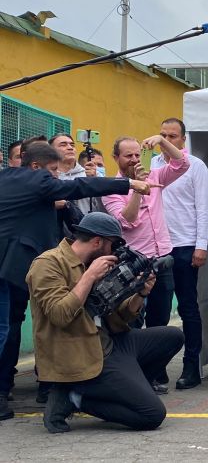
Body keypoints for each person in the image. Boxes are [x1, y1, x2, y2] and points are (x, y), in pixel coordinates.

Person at [0, 142, 153, 420]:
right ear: (35, 166)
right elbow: (80, 186)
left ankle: (21, 390)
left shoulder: (9, 178)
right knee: (6, 330)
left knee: (10, 327)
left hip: (14, 264)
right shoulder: (37, 180)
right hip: (13, 265)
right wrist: (130, 184)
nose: (55, 178)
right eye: (52, 171)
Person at [26, 212, 184, 433]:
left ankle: (121, 391)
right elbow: (59, 315)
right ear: (98, 242)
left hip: (111, 342)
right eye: (113, 245)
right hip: (83, 354)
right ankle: (75, 397)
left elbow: (121, 315)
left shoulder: (98, 264)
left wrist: (140, 293)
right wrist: (89, 277)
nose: (115, 252)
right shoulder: (48, 264)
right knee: (152, 414)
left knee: (173, 336)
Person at [103, 135, 189, 394]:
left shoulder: (155, 176)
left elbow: (182, 164)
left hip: (162, 259)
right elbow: (128, 220)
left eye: (136, 154)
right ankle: (132, 376)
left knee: (160, 320)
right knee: (132, 320)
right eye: (127, 156)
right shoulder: (112, 188)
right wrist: (138, 190)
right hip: (134, 264)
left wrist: (162, 140)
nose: (133, 160)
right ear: (116, 158)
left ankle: (154, 373)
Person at [151, 118, 208, 390]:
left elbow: (203, 207)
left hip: (186, 244)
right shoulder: (154, 164)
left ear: (183, 140)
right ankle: (156, 368)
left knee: (188, 308)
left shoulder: (195, 165)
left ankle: (191, 367)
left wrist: (201, 245)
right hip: (158, 245)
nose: (166, 140)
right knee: (158, 309)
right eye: (162, 135)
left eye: (172, 136)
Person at [50, 134, 100, 215]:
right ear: (51, 151)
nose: (70, 147)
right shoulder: (47, 177)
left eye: (72, 145)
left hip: (87, 222)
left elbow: (103, 207)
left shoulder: (91, 174)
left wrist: (95, 182)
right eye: (63, 145)